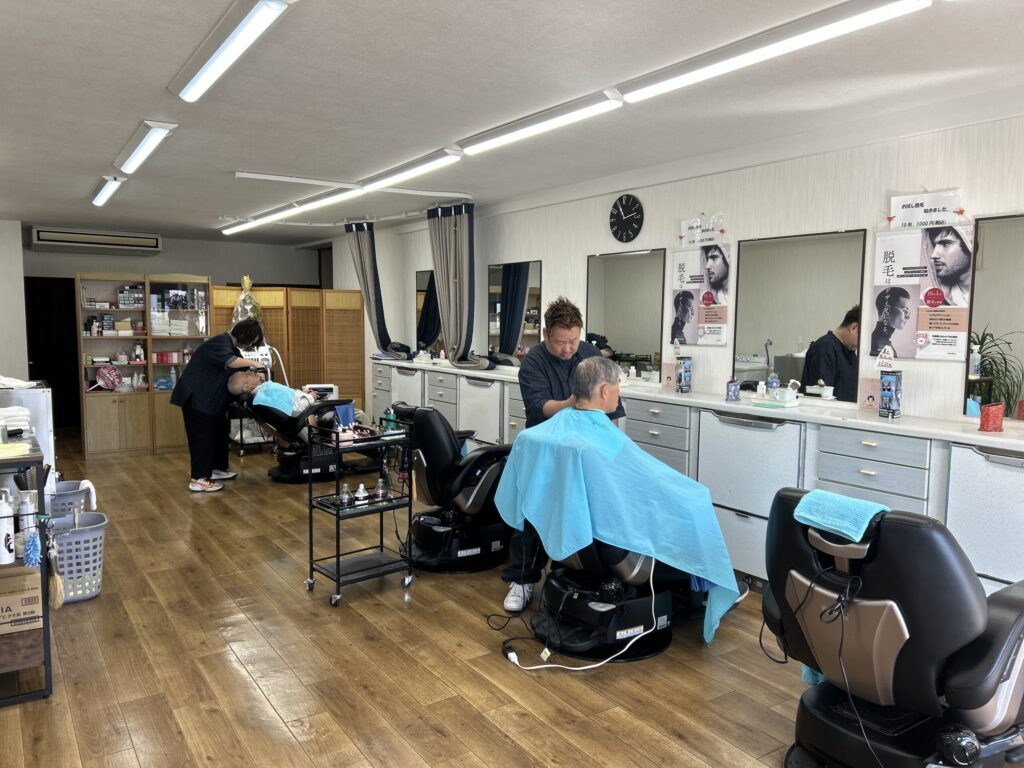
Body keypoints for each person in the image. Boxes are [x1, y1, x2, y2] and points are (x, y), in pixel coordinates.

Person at [495, 356, 747, 641]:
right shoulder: (593, 444)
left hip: (570, 535)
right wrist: (689, 495)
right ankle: (709, 583)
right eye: (617, 386)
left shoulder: (536, 436)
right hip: (608, 543)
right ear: (604, 391)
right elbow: (639, 482)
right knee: (694, 501)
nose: (619, 392)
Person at [501, 297, 625, 612]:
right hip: (546, 450)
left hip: (586, 452)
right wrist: (575, 402)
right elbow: (540, 407)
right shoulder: (533, 362)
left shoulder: (590, 353)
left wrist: (614, 450)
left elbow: (611, 410)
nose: (568, 349)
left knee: (588, 512)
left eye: (573, 340)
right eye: (560, 342)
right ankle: (522, 579)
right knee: (532, 512)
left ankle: (573, 574)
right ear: (546, 335)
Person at [171, 317, 266, 492]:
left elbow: (241, 370)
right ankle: (199, 479)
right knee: (203, 439)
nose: (250, 345)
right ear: (243, 335)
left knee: (219, 434)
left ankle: (215, 470)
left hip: (212, 400)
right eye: (251, 341)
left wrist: (256, 374)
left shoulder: (233, 349)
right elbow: (231, 362)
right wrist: (254, 363)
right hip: (197, 399)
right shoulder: (219, 343)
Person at [801, 305, 860, 402]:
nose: (862, 343)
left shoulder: (850, 351)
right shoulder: (824, 348)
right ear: (853, 327)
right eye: (862, 336)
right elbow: (821, 395)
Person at [924, 226, 973, 307]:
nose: (934, 255)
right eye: (933, 245)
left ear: (969, 244)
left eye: (945, 244)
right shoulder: (928, 299)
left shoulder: (993, 291)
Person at [869, 288, 911, 357]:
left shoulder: (880, 341)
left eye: (907, 310)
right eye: (904, 310)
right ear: (887, 310)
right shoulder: (879, 345)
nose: (908, 317)